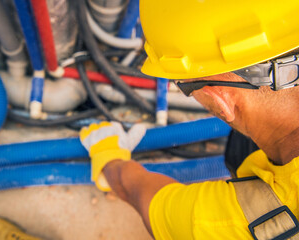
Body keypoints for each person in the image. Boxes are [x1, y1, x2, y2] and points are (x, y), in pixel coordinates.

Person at [79, 0, 299, 239]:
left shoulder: (238, 221)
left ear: (221, 100)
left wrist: (110, 157)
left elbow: (142, 195)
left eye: (184, 86)